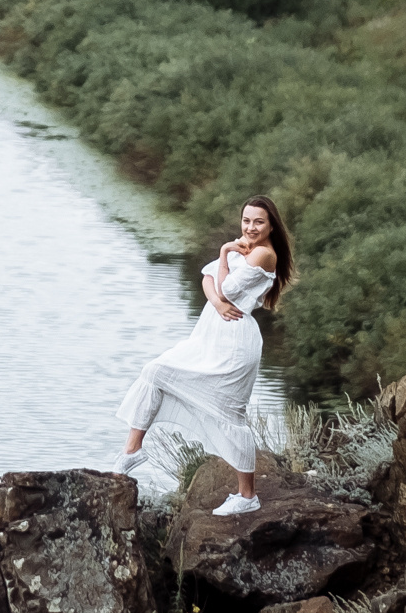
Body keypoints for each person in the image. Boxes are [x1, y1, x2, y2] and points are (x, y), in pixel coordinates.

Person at [105, 196, 294, 516]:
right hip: (210, 338)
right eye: (246, 220)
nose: (250, 227)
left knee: (230, 415)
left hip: (235, 345)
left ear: (271, 225)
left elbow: (226, 291)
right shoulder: (245, 248)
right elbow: (208, 279)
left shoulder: (262, 254)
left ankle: (247, 495)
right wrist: (219, 300)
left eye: (258, 222)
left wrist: (224, 252)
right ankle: (133, 450)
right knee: (155, 373)